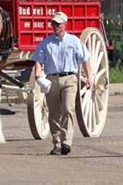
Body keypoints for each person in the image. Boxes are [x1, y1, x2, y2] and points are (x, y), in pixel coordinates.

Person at [32, 11, 93, 156]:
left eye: (58, 24)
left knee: (68, 109)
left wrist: (90, 77)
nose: (55, 26)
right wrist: (38, 76)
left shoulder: (74, 41)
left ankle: (67, 142)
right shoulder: (46, 43)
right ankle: (57, 142)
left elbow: (85, 59)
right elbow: (38, 62)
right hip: (52, 79)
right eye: (53, 23)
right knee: (53, 113)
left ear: (65, 25)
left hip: (70, 79)